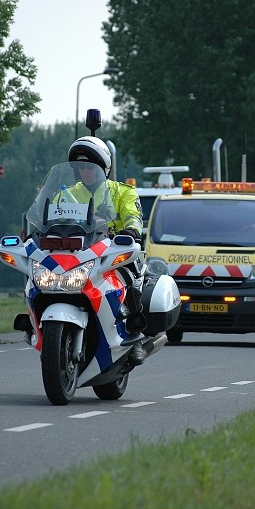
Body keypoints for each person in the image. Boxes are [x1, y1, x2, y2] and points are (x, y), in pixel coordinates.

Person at [67, 136, 147, 366]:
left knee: (130, 279)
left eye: (91, 166)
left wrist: (131, 231)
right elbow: (53, 217)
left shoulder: (123, 192)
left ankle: (135, 337)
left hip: (114, 251)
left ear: (103, 168)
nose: (86, 171)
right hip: (78, 253)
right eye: (81, 166)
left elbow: (134, 216)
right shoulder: (67, 193)